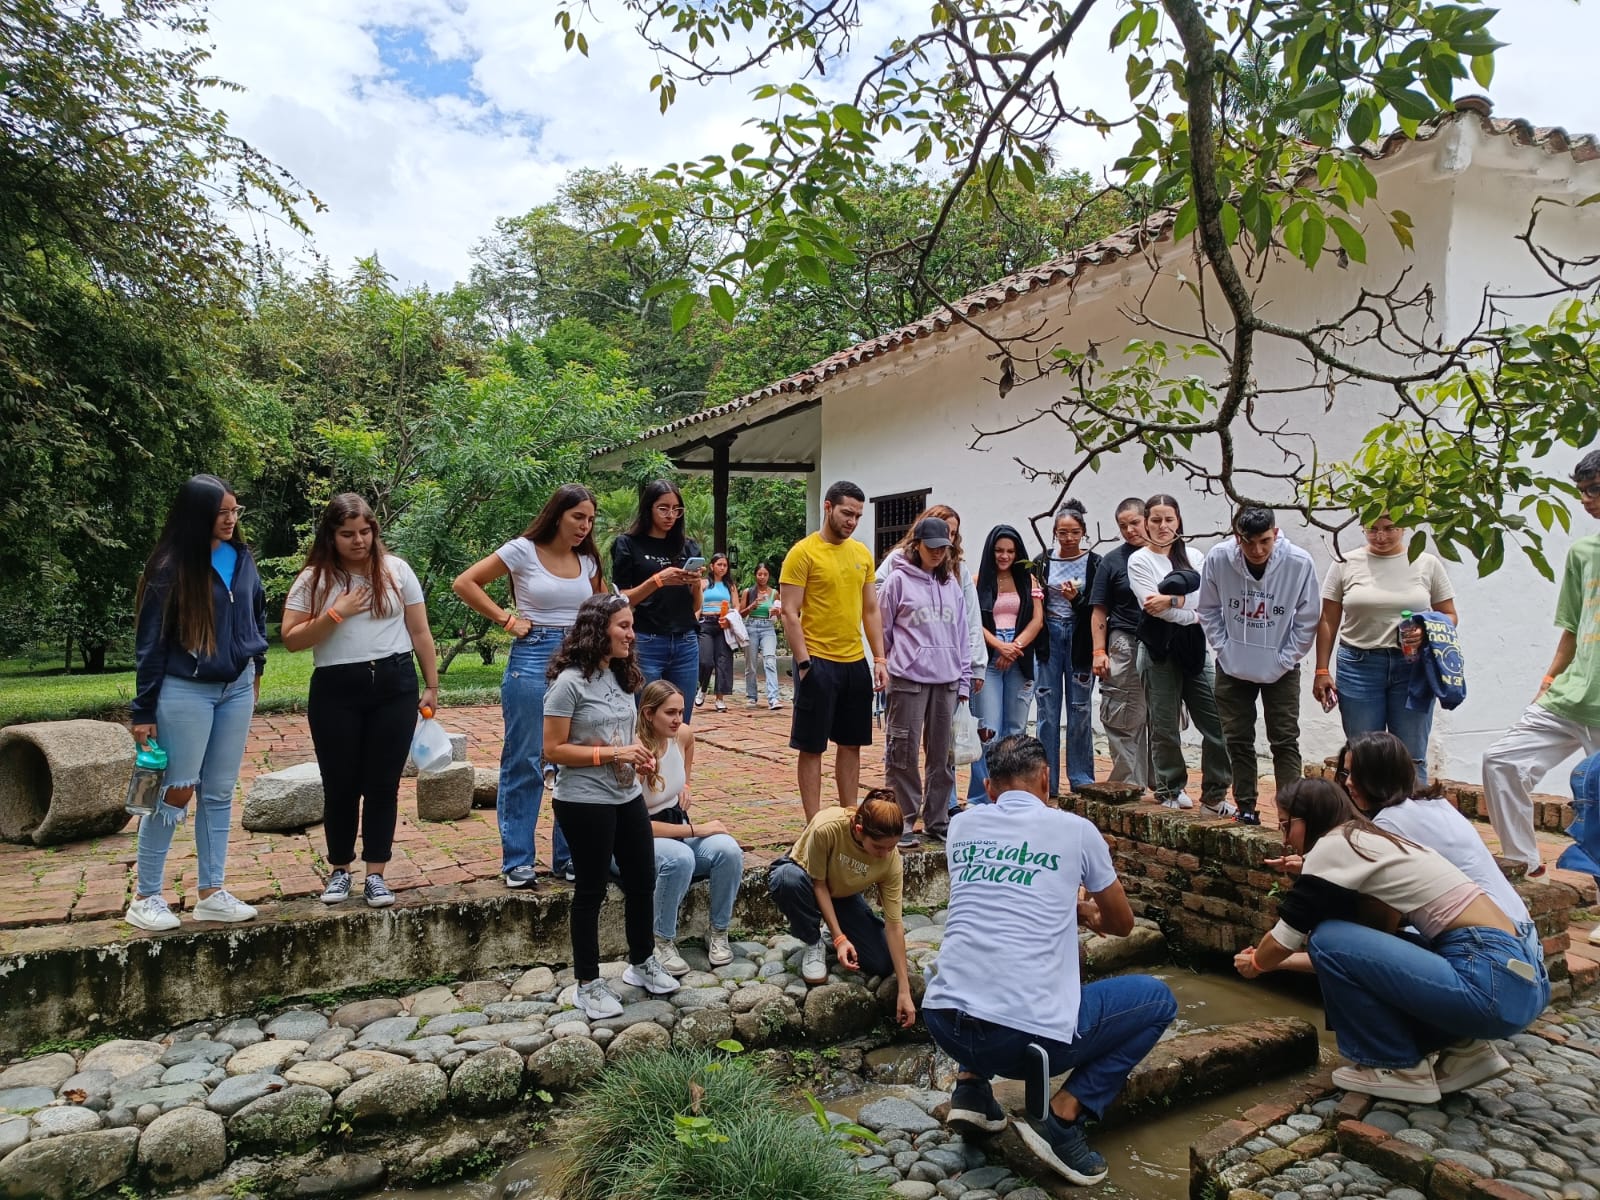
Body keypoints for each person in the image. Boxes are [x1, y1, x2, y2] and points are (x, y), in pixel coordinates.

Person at [923, 735, 1177, 1186]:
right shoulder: (1075, 831)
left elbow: (1002, 895)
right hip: (1021, 1044)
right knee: (1158, 1001)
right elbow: (1121, 924)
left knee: (986, 949)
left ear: (989, 784)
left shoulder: (962, 825)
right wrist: (1091, 910)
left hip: (945, 1023)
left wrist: (1070, 906)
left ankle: (972, 1089)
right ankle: (1063, 1118)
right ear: (1046, 778)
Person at [1234, 778, 1548, 1102]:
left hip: (1487, 981)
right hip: (1520, 981)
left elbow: (1288, 937)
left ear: (1312, 816)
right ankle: (1465, 1050)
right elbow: (1361, 962)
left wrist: (1258, 963)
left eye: (1286, 824)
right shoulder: (1371, 841)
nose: (1284, 838)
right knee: (1343, 941)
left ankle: (1396, 1066)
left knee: (1326, 935)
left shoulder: (1332, 845)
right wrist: (1278, 963)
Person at [282, 494, 441, 907]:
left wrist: (432, 685)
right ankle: (339, 870)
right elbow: (292, 639)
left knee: (383, 784)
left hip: (395, 682)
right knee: (340, 785)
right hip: (337, 687)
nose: (359, 541)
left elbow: (420, 632)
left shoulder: (395, 570)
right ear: (331, 536)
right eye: (348, 534)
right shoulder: (313, 579)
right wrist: (336, 613)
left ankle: (376, 874)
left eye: (365, 532)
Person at [127, 474, 268, 931]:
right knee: (177, 788)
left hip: (237, 687)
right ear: (197, 516)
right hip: (184, 689)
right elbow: (151, 644)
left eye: (234, 511)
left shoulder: (240, 556)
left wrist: (257, 666)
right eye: (221, 513)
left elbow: (255, 612)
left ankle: (212, 892)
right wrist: (143, 710)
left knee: (220, 790)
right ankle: (146, 896)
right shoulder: (169, 569)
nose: (230, 520)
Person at [454, 484, 604, 887]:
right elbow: (465, 583)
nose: (584, 527)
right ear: (558, 514)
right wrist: (507, 620)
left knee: (574, 758)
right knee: (525, 757)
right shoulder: (522, 549)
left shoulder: (587, 560)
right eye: (578, 517)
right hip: (533, 656)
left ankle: (569, 855)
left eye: (590, 520)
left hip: (579, 659)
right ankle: (517, 859)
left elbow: (603, 608)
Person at [543, 594, 682, 1018]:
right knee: (591, 889)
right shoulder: (568, 683)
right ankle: (587, 982)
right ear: (597, 630)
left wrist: (640, 751)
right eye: (623, 626)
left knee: (642, 879)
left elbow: (623, 736)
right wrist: (611, 756)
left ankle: (641, 963)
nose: (631, 634)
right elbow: (552, 749)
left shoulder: (623, 677)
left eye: (631, 625)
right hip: (583, 801)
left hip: (625, 796)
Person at [1481, 450, 1600, 875]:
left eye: (1595, 489)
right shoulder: (1583, 552)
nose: (1586, 499)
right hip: (1568, 697)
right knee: (1502, 761)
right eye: (1582, 491)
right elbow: (1572, 626)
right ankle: (1523, 862)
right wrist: (1549, 678)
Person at [1340, 732, 1531, 940]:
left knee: (1349, 939)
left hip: (1490, 941)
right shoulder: (1433, 802)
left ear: (1379, 775)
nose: (1349, 783)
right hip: (1521, 927)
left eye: (1357, 774)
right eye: (1346, 773)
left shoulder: (1389, 822)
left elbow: (1381, 909)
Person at [1195, 506, 1320, 826]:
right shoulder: (1219, 559)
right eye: (1248, 542)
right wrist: (1224, 648)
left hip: (1281, 664)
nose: (1257, 550)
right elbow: (1208, 609)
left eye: (1265, 541)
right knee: (1236, 738)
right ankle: (1246, 805)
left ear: (1276, 534)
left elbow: (1307, 619)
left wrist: (1286, 658)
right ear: (1237, 538)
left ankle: (1290, 813)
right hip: (1233, 664)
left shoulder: (1298, 562)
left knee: (1284, 739)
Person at [1313, 515, 1459, 784]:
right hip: (1358, 664)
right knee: (1363, 754)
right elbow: (1328, 620)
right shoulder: (1345, 563)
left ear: (1404, 527)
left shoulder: (1426, 563)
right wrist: (1321, 669)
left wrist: (1425, 630)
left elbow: (1449, 615)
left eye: (1390, 528)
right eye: (1373, 529)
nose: (1381, 537)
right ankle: (1368, 822)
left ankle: (1412, 821)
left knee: (1411, 756)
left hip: (1412, 667)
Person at [779, 481, 887, 821]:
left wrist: (879, 658)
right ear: (828, 508)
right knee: (812, 746)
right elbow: (789, 611)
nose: (852, 521)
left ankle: (849, 814)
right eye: (846, 513)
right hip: (817, 659)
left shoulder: (861, 554)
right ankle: (814, 822)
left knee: (852, 742)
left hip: (854, 661)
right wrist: (804, 663)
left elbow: (871, 610)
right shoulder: (803, 552)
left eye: (857, 515)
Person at [767, 791, 918, 1028]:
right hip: (806, 878)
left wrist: (904, 990)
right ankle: (813, 940)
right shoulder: (826, 827)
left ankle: (833, 933)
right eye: (879, 847)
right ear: (858, 830)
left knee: (882, 962)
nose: (885, 854)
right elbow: (819, 884)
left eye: (892, 847)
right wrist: (840, 939)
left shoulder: (891, 860)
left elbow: (894, 924)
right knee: (787, 880)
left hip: (842, 894)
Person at [874, 503, 985, 815]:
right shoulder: (897, 580)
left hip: (947, 682)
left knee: (943, 756)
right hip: (909, 679)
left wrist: (964, 681)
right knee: (902, 752)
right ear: (917, 545)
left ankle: (938, 820)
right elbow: (882, 627)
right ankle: (904, 819)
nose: (938, 553)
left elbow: (962, 635)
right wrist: (886, 662)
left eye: (944, 548)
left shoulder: (951, 584)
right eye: (932, 547)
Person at [1128, 494, 1231, 813]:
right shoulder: (1139, 561)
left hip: (1194, 648)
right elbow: (1152, 607)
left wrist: (1173, 602)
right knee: (1164, 725)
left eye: (1168, 519)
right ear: (1145, 521)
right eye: (1155, 519)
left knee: (1219, 720)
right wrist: (1191, 609)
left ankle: (1215, 794)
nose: (1162, 526)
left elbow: (1209, 600)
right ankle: (1170, 788)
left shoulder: (1196, 557)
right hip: (1158, 650)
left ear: (1178, 521)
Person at [635, 681, 742, 974]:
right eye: (670, 713)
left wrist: (687, 783)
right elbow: (637, 827)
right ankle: (661, 940)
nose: (678, 719)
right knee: (680, 858)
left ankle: (718, 931)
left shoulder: (681, 735)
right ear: (648, 714)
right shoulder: (638, 754)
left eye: (681, 712)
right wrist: (697, 830)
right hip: (636, 841)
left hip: (675, 825)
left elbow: (688, 746)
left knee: (728, 850)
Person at [611, 480, 704, 717]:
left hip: (685, 641)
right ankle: (647, 756)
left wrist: (695, 584)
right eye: (663, 508)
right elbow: (622, 599)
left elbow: (695, 605)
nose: (670, 515)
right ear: (648, 508)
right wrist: (658, 580)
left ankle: (678, 756)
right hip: (646, 640)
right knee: (646, 716)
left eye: (676, 509)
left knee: (680, 719)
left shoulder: (688, 547)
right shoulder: (628, 544)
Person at [971, 524, 1044, 804]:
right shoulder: (979, 582)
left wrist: (1014, 647)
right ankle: (981, 797)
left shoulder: (1029, 580)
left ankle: (1013, 796)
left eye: (1010, 551)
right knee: (989, 731)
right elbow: (974, 621)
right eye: (999, 550)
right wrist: (1000, 645)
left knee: (1015, 731)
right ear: (991, 551)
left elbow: (1037, 620)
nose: (1004, 556)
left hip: (1021, 653)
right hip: (989, 654)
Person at [1034, 500, 1101, 798]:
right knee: (1047, 711)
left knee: (1080, 709)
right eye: (1062, 532)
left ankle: (1081, 778)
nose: (1069, 538)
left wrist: (1075, 600)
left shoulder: (1095, 563)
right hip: (1049, 636)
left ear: (1084, 532)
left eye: (1074, 532)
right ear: (1054, 533)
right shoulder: (1042, 562)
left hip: (1080, 638)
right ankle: (1046, 783)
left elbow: (1098, 610)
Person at [1089, 499, 1152, 789]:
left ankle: (1162, 785)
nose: (1129, 530)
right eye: (1122, 526)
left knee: (1157, 714)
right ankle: (1126, 784)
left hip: (1162, 644)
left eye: (1134, 523)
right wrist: (1099, 651)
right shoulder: (1112, 561)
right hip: (1124, 642)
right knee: (1122, 713)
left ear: (1147, 519)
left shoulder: (1166, 555)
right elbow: (1099, 610)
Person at [696, 552, 736, 711]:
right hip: (706, 623)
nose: (722, 568)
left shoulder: (730, 585)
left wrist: (731, 619)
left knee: (723, 661)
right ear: (712, 566)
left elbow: (737, 606)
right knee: (705, 661)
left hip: (723, 624)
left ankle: (720, 698)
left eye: (725, 565)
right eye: (719, 564)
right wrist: (694, 622)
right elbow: (697, 605)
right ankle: (703, 687)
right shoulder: (703, 583)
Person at [740, 563, 782, 710]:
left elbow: (781, 613)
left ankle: (774, 698)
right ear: (755, 575)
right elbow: (740, 614)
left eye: (765, 574)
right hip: (751, 626)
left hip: (767, 628)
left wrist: (777, 612)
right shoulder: (748, 592)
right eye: (759, 574)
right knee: (750, 664)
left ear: (768, 576)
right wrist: (752, 606)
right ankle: (752, 696)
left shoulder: (774, 593)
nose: (762, 577)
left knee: (770, 660)